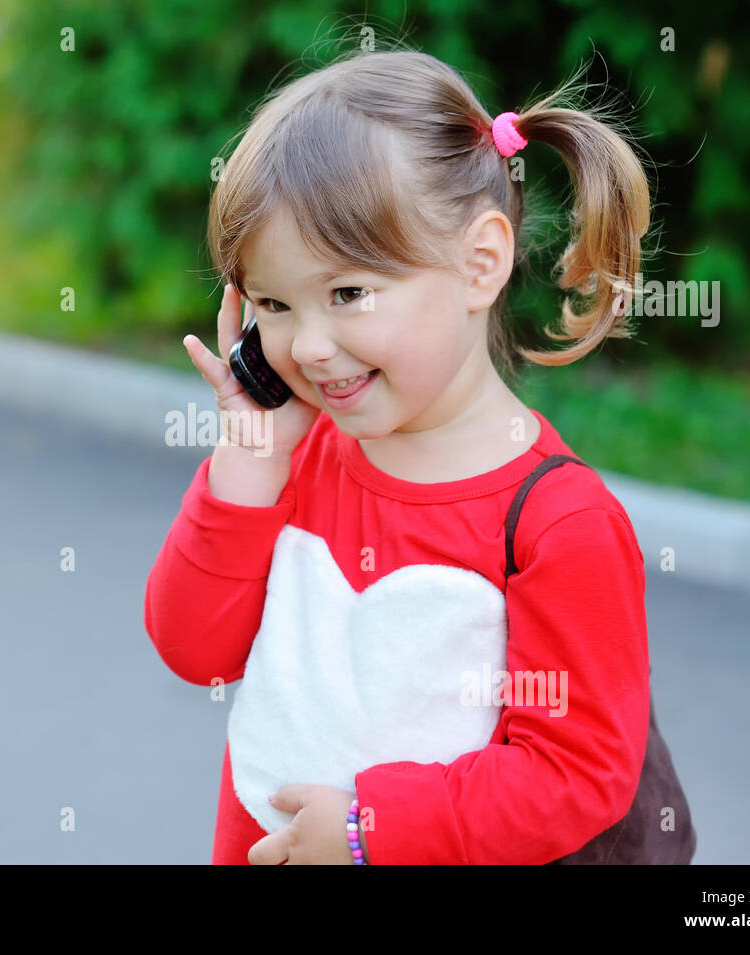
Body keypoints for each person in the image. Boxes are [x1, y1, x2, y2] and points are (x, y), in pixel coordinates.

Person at [144, 47, 657, 864]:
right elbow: (192, 648)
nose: (308, 346)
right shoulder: (299, 457)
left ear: (478, 263)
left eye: (348, 293)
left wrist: (366, 831)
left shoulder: (562, 525)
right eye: (273, 304)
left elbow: (577, 773)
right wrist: (248, 462)